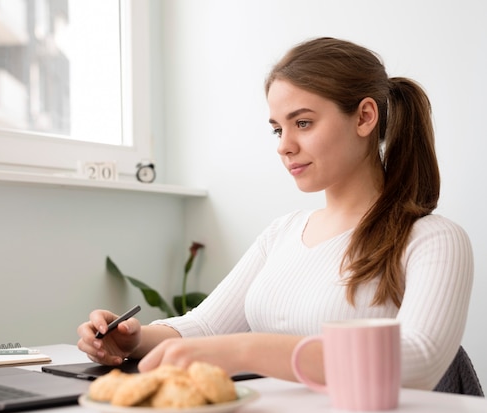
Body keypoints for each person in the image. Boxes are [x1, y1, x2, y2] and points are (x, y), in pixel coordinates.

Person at [76, 37, 474, 390]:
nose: (284, 145)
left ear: (365, 117)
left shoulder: (433, 239)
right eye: (277, 129)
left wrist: (249, 349)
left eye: (303, 122)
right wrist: (134, 338)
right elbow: (207, 327)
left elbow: (419, 363)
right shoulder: (282, 233)